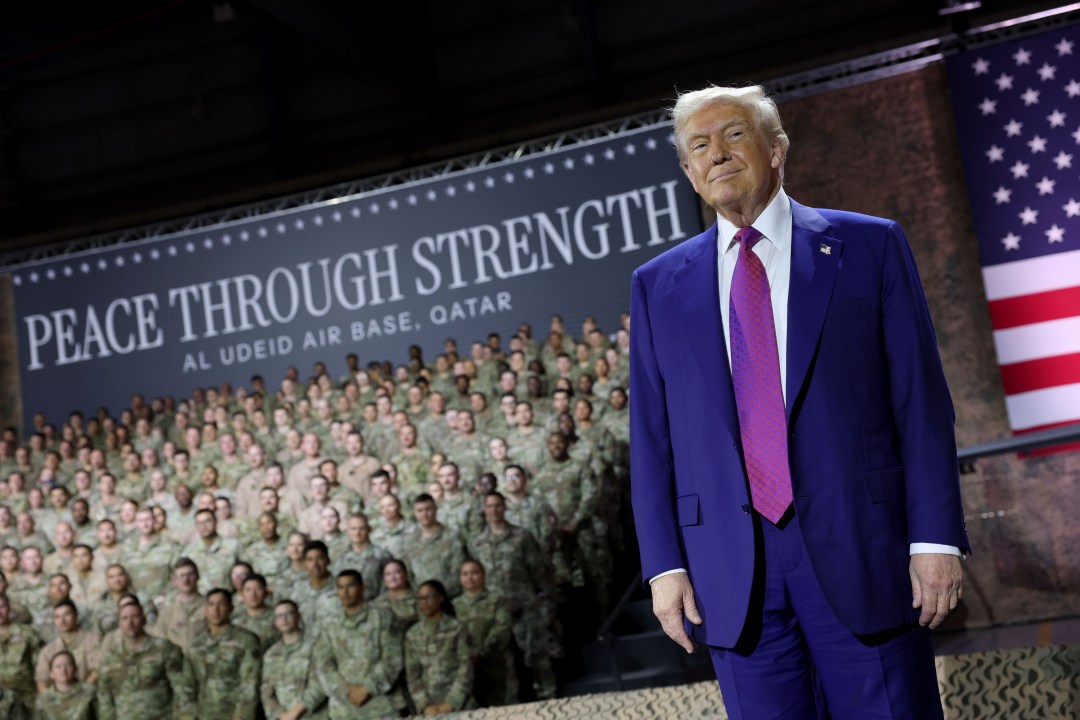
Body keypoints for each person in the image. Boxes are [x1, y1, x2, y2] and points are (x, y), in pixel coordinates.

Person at [630, 83, 968, 719]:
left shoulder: (869, 247)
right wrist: (663, 566)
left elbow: (920, 405)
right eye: (699, 146)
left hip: (866, 551)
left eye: (734, 134)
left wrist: (936, 540)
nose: (718, 154)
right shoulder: (657, 287)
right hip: (730, 571)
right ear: (688, 172)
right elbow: (651, 442)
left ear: (776, 147)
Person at [313, 570, 405, 718]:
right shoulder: (329, 623)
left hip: (381, 704)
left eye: (350, 586)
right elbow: (323, 664)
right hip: (343, 708)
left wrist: (367, 688)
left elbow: (393, 658)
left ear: (362, 588)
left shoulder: (383, 616)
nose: (345, 592)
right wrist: (345, 690)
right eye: (340, 587)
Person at [96, 597, 194, 720]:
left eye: (135, 617)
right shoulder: (111, 658)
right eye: (125, 618)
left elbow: (183, 690)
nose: (130, 622)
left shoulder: (164, 649)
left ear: (143, 619)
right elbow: (105, 700)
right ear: (119, 623)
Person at [185, 588, 261, 719]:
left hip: (234, 715)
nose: (216, 610)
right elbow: (188, 686)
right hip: (204, 714)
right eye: (211, 604)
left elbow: (250, 684)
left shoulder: (245, 640)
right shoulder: (196, 645)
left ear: (231, 608)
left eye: (221, 604)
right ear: (205, 609)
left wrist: (242, 716)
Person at [404, 580, 474, 715]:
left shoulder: (457, 628)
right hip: (429, 708)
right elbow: (412, 675)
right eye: (420, 598)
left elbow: (466, 667)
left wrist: (452, 702)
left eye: (429, 596)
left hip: (460, 704)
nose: (425, 602)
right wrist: (424, 705)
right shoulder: (413, 634)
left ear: (440, 598)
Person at [455, 559, 516, 707]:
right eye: (465, 574)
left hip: (497, 664)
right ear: (459, 578)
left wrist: (481, 652)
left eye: (474, 573)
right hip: (466, 670)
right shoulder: (453, 606)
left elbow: (503, 628)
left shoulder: (497, 600)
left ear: (483, 575)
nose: (469, 577)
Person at [260, 599, 328, 720]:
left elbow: (320, 684)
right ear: (275, 622)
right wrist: (279, 715)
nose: (284, 619)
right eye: (279, 616)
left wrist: (295, 713)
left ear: (298, 616)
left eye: (288, 614)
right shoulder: (271, 654)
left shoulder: (315, 646)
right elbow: (267, 691)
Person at [35, 651, 96, 720]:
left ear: (75, 670)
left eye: (68, 665)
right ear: (51, 673)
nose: (63, 670)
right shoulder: (43, 699)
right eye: (58, 667)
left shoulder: (90, 692)